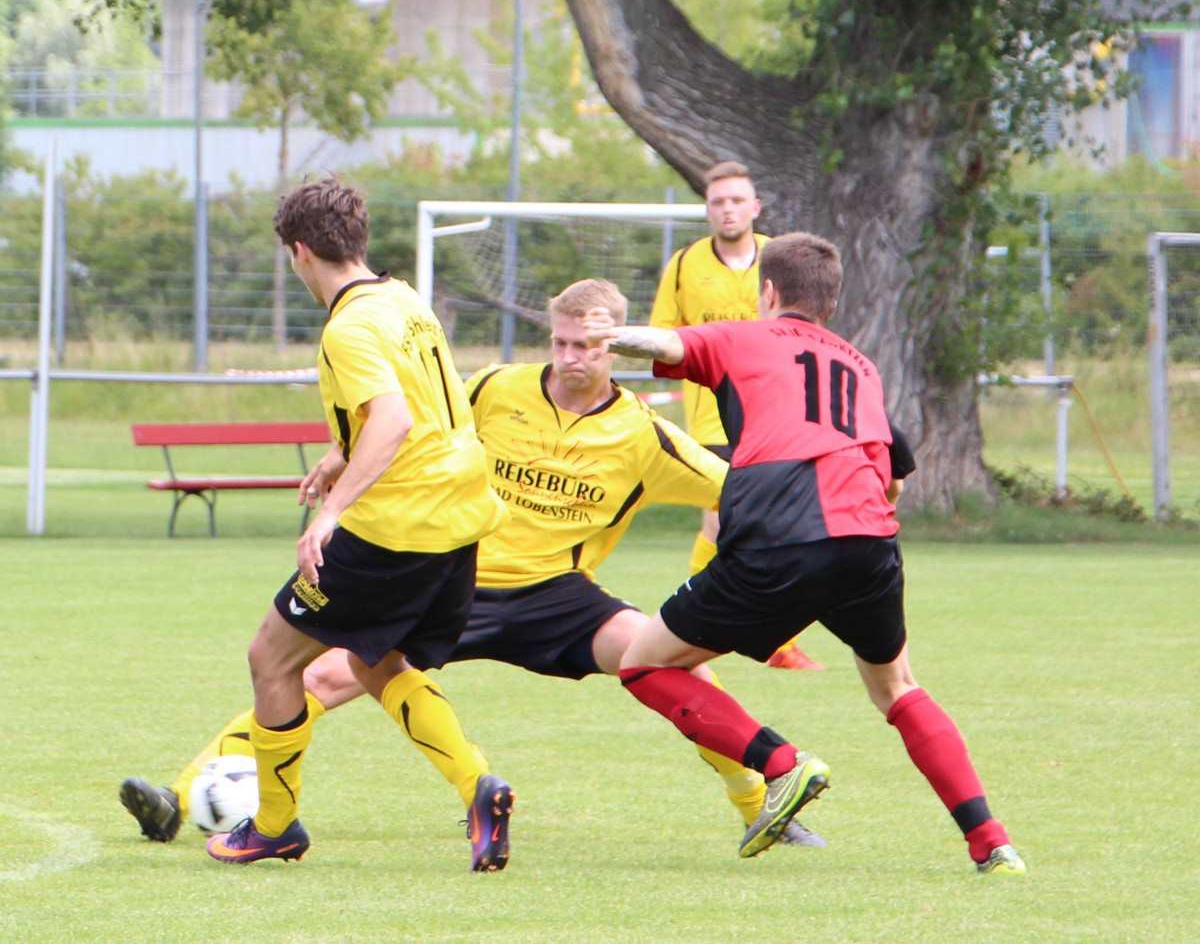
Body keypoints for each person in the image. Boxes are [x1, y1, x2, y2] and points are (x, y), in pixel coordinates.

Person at [120, 278, 825, 857]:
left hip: (559, 596)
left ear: (618, 347)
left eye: (591, 345)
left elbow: (740, 486)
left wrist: (833, 482)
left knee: (671, 663)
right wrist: (342, 453)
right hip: (458, 580)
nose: (573, 356)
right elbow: (414, 422)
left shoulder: (643, 435)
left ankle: (759, 805)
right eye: (562, 341)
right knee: (315, 676)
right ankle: (180, 798)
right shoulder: (493, 390)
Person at [582, 232, 1026, 875]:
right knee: (898, 687)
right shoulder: (862, 366)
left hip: (779, 539)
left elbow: (668, 343)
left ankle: (784, 766)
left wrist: (608, 332)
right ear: (831, 302)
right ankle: (992, 842)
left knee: (642, 663)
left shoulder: (745, 336)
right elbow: (898, 473)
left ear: (768, 292)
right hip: (869, 543)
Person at [163, 177, 514, 869]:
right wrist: (340, 452)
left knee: (271, 656)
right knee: (376, 660)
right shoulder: (402, 299)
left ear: (299, 251)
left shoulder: (346, 326)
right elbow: (415, 404)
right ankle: (480, 786)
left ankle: (275, 826)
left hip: (396, 526)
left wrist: (332, 511)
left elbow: (393, 418)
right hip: (458, 515)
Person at [650, 160, 819, 671]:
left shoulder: (781, 258)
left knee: (787, 526)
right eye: (718, 201)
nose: (727, 209)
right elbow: (664, 337)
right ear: (707, 209)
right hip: (713, 421)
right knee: (720, 521)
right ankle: (685, 625)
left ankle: (776, 640)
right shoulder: (684, 265)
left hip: (777, 420)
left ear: (755, 207)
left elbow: (807, 331)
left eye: (736, 200)